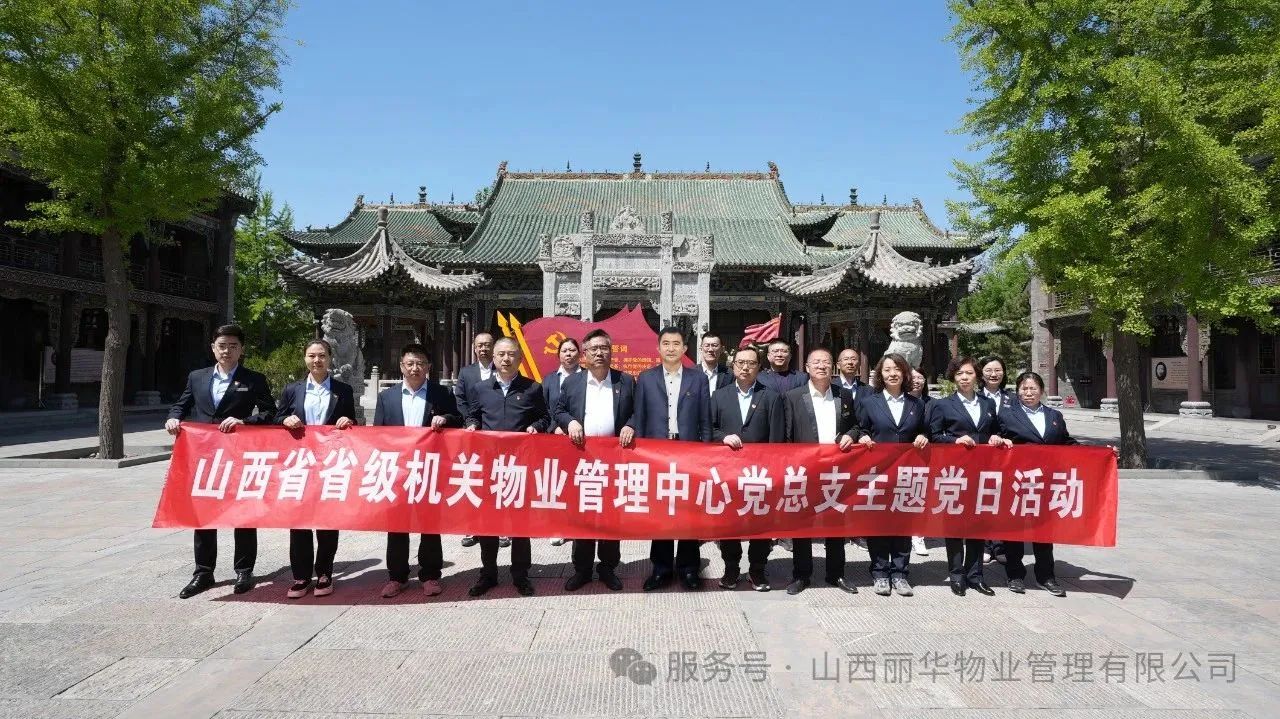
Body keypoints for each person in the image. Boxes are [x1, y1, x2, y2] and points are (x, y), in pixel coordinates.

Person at [166, 324, 275, 599]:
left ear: (242, 349)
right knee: (203, 513)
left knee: (243, 512)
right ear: (213, 348)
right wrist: (173, 418)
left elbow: (270, 413)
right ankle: (203, 572)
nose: (227, 351)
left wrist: (244, 421)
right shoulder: (197, 377)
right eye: (222, 346)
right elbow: (181, 405)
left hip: (239, 454)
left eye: (233, 346)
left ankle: (244, 571)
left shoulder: (254, 379)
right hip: (204, 455)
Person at [464, 337, 550, 597]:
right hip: (489, 467)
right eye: (500, 354)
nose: (505, 358)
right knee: (487, 523)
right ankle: (488, 574)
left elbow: (545, 416)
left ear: (520, 359)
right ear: (493, 357)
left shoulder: (532, 388)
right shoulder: (481, 388)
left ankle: (520, 575)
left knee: (520, 524)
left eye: (511, 354)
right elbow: (473, 415)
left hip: (519, 467)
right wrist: (472, 425)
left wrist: (536, 427)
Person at [376, 344, 461, 598]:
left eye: (420, 363)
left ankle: (430, 575)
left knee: (429, 524)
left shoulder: (441, 393)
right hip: (398, 470)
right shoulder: (387, 397)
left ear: (428, 367)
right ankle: (397, 577)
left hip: (429, 468)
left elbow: (457, 419)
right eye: (410, 363)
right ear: (402, 366)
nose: (415, 368)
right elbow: (378, 434)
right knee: (397, 526)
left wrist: (445, 418)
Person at [629, 326, 712, 591]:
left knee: (689, 512)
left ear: (685, 348)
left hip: (689, 452)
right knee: (661, 511)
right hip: (658, 453)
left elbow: (705, 419)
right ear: (658, 348)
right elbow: (640, 417)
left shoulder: (698, 379)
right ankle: (661, 568)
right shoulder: (646, 378)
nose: (671, 348)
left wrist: (707, 453)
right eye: (666, 343)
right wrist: (641, 455)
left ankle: (689, 568)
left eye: (676, 344)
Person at [555, 328, 636, 591]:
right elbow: (559, 410)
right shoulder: (573, 383)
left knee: (611, 516)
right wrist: (570, 422)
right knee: (584, 515)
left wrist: (631, 425)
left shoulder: (625, 381)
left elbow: (638, 411)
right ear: (585, 354)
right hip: (583, 461)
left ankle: (608, 567)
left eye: (604, 348)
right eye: (594, 349)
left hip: (615, 461)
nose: (599, 353)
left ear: (611, 352)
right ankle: (582, 569)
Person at [276, 339, 357, 599]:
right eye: (311, 356)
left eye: (322, 355)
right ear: (305, 359)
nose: (317, 360)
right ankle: (301, 576)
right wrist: (285, 419)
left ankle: (324, 573)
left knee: (327, 520)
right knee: (299, 520)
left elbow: (354, 421)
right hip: (299, 463)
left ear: (330, 358)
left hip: (330, 462)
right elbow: (277, 418)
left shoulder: (342, 390)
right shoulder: (292, 390)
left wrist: (348, 420)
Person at [995, 371, 1084, 598]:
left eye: (1033, 388)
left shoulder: (1054, 416)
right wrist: (999, 441)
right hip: (1018, 481)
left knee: (1044, 530)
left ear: (1042, 391)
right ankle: (1015, 574)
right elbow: (995, 440)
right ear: (1017, 392)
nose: (1028, 392)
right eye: (1024, 388)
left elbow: (1067, 443)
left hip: (1046, 481)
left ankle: (1046, 576)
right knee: (1014, 529)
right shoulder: (1006, 415)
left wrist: (1100, 454)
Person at [925, 356, 1004, 597]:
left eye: (969, 373)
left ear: (976, 376)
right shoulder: (942, 405)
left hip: (982, 472)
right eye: (959, 374)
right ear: (953, 377)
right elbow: (934, 436)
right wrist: (955, 440)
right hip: (955, 473)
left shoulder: (987, 404)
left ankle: (976, 575)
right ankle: (957, 575)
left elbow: (995, 430)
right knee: (955, 526)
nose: (965, 378)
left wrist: (996, 437)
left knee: (978, 525)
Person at [782, 347, 859, 595]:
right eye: (816, 362)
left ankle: (836, 573)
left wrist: (850, 435)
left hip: (836, 469)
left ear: (832, 367)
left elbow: (855, 425)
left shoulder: (844, 395)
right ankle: (801, 575)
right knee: (802, 523)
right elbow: (786, 435)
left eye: (826, 362)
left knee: (836, 522)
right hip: (804, 469)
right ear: (807, 367)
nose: (821, 366)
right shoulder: (793, 396)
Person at [855, 352, 929, 597]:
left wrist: (923, 436)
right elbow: (862, 428)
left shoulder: (916, 404)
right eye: (887, 369)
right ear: (880, 374)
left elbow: (925, 431)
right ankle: (879, 572)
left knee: (903, 523)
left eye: (897, 369)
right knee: (878, 523)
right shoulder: (869, 402)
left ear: (905, 373)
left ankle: (900, 573)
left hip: (906, 474)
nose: (892, 374)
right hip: (878, 473)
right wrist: (863, 437)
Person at [711, 345, 784, 591]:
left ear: (759, 367)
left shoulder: (771, 397)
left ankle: (757, 570)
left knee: (760, 523)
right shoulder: (719, 396)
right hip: (728, 473)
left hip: (760, 473)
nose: (745, 367)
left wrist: (774, 472)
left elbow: (777, 438)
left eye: (751, 363)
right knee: (729, 522)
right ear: (732, 366)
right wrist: (723, 437)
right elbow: (709, 429)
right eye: (740, 362)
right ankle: (731, 568)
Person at [455, 332, 496, 549]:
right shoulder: (466, 372)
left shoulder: (503, 368)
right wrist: (470, 421)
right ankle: (472, 527)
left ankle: (500, 528)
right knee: (472, 480)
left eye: (487, 345)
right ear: (474, 348)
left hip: (495, 433)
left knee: (496, 479)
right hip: (472, 432)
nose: (483, 349)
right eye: (480, 345)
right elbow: (460, 400)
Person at [542, 336, 582, 547]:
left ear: (579, 354)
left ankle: (579, 525)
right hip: (555, 439)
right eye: (564, 351)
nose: (568, 354)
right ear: (558, 355)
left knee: (580, 483)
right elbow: (544, 409)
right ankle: (558, 527)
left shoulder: (587, 376)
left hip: (580, 439)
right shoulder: (549, 380)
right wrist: (553, 428)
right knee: (558, 484)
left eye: (572, 350)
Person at [978, 355, 1013, 564]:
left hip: (1006, 457)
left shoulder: (1013, 398)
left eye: (998, 370)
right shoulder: (975, 397)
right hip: (982, 456)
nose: (993, 374)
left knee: (1002, 500)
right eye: (989, 370)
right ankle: (984, 543)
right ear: (981, 374)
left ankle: (1000, 544)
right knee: (983, 498)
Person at [907, 368, 932, 556]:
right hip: (900, 457)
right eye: (913, 377)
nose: (916, 380)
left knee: (919, 495)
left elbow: (934, 428)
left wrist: (925, 436)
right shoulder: (902, 400)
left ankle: (918, 536)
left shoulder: (932, 403)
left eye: (920, 377)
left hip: (924, 456)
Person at [698, 332, 733, 397]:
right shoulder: (690, 373)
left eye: (714, 345)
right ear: (701, 349)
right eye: (707, 345)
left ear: (722, 349)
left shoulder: (730, 374)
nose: (710, 349)